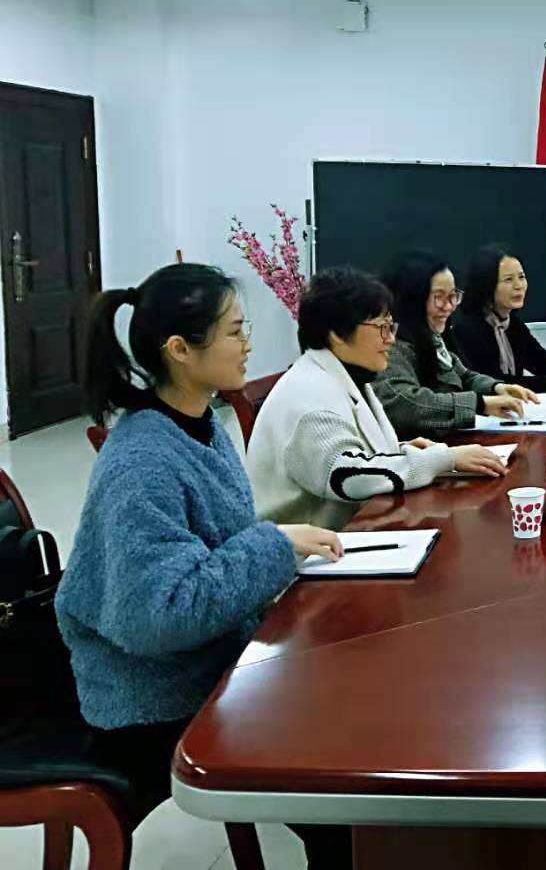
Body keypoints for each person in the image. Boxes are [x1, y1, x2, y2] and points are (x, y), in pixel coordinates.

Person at [54, 264, 352, 868]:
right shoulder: (142, 460)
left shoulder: (201, 426)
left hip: (211, 659)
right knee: (332, 775)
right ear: (181, 350)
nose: (248, 345)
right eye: (235, 332)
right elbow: (159, 616)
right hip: (153, 697)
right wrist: (276, 545)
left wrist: (271, 552)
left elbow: (220, 556)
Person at [248, 266, 510, 529]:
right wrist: (444, 459)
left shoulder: (343, 376)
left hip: (350, 531)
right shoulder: (310, 395)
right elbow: (350, 476)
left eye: (391, 326)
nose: (391, 339)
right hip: (311, 550)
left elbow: (356, 455)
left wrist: (401, 451)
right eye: (382, 328)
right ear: (337, 334)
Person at [373, 250, 538, 438]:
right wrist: (479, 404)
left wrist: (496, 388)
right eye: (438, 297)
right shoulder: (390, 344)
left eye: (453, 295)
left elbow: (463, 376)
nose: (449, 306)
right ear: (412, 299)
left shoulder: (431, 337)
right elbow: (404, 404)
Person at [449, 244, 546, 392]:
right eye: (508, 280)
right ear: (487, 285)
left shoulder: (513, 325)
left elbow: (541, 361)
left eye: (521, 277)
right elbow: (494, 382)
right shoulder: (469, 329)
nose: (518, 286)